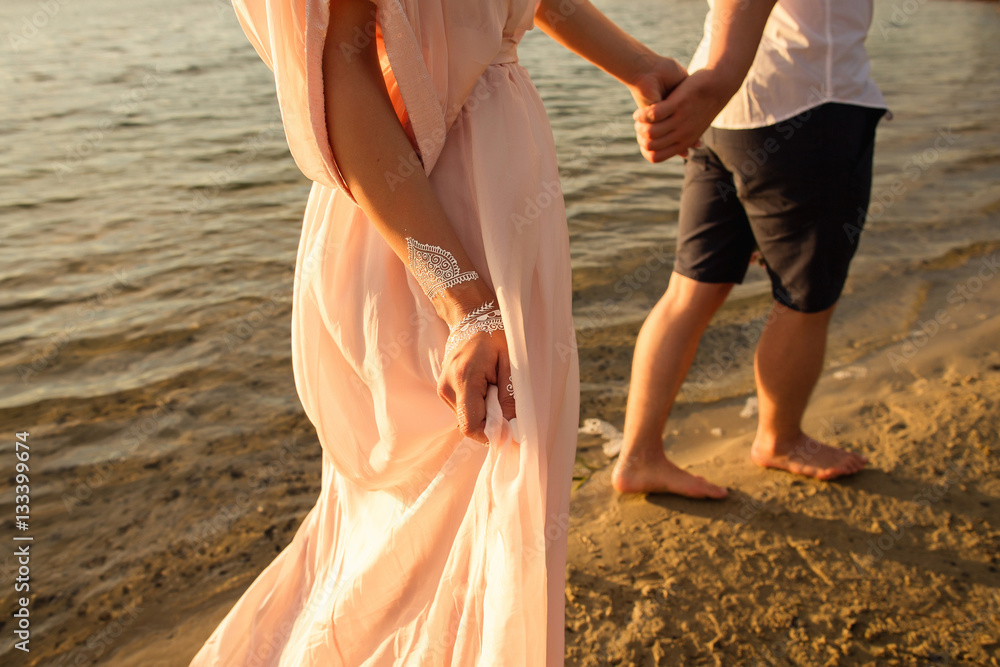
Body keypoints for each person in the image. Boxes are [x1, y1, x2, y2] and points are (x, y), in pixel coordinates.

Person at [190, 0, 686, 664]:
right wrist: (464, 301)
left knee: (489, 522)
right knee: (443, 525)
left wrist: (640, 64)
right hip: (432, 229)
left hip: (500, 203)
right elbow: (344, 79)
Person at [613, 0, 888, 498]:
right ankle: (780, 440)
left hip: (723, 114)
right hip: (808, 105)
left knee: (689, 291)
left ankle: (639, 456)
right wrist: (716, 78)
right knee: (806, 300)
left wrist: (712, 82)